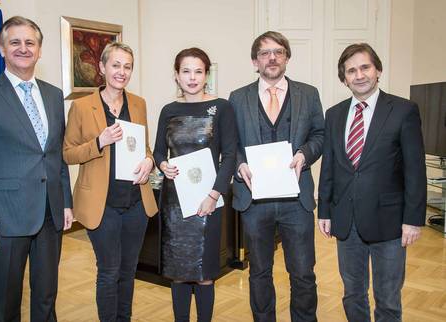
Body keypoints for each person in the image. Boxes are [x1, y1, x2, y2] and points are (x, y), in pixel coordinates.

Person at [0, 16, 73, 322]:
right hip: (5, 218)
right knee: (8, 302)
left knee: (46, 297)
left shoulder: (53, 95)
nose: (23, 49)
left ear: (39, 50)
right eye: (15, 42)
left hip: (50, 214)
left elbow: (57, 154)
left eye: (30, 43)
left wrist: (65, 201)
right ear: (2, 48)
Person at [317, 43, 426, 322]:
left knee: (388, 298)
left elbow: (415, 169)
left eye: (365, 67)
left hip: (390, 222)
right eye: (351, 71)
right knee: (352, 294)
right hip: (346, 221)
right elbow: (329, 165)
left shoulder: (403, 110)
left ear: (378, 70)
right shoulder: (334, 114)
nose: (359, 75)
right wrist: (325, 211)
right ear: (344, 78)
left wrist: (413, 219)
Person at [229, 31, 324, 322]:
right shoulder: (237, 97)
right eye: (265, 53)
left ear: (286, 57)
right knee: (259, 272)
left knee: (303, 273)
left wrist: (305, 155)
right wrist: (239, 165)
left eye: (278, 51)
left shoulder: (308, 94)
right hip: (254, 201)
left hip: (296, 201)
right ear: (254, 61)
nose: (272, 57)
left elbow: (320, 135)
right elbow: (230, 145)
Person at [63, 42, 157, 322]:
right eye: (116, 65)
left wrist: (149, 161)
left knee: (128, 272)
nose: (122, 72)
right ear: (102, 68)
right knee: (109, 272)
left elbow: (147, 148)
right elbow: (67, 153)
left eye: (127, 66)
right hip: (101, 206)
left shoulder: (138, 104)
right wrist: (99, 142)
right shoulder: (81, 107)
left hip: (136, 203)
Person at [153, 47, 237, 322]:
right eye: (186, 71)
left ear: (206, 75)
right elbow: (157, 152)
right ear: (176, 76)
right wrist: (163, 166)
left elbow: (230, 156)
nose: (192, 77)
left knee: (204, 275)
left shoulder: (222, 107)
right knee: (178, 274)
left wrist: (214, 195)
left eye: (198, 71)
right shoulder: (168, 110)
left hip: (207, 201)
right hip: (174, 204)